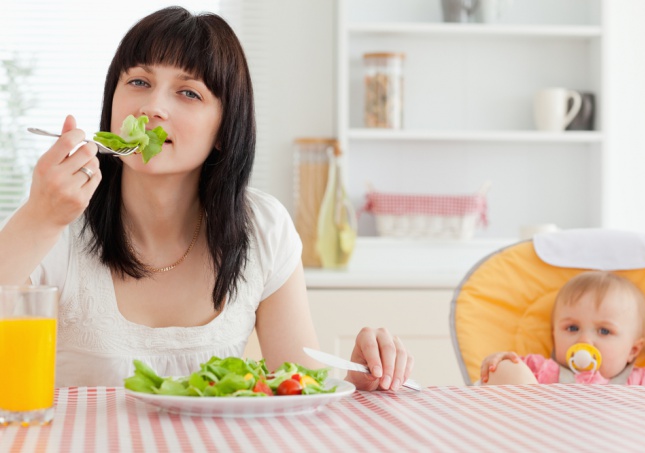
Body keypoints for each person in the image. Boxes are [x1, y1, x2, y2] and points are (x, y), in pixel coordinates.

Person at [0, 6, 413, 391]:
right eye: (139, 82)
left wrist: (357, 381)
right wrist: (39, 218)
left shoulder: (263, 229)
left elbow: (300, 389)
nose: (152, 108)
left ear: (223, 132)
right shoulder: (58, 222)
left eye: (188, 93)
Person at [479, 271, 645, 386]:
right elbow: (504, 377)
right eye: (572, 328)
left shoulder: (643, 382)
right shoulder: (539, 370)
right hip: (544, 436)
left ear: (633, 350)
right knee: (508, 368)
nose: (584, 341)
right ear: (554, 335)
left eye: (604, 331)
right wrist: (502, 363)